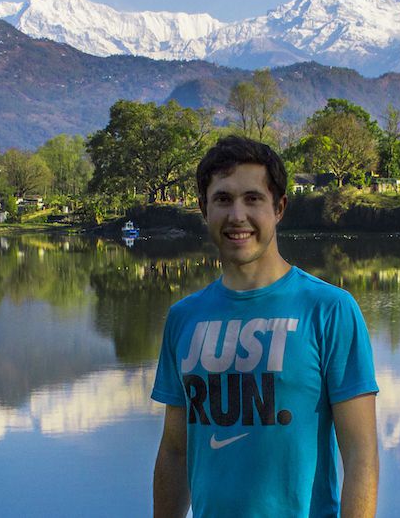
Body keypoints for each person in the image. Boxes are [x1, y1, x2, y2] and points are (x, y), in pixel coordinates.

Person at [152, 136, 379, 517]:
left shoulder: (330, 310)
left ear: (279, 207)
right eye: (223, 199)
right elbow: (175, 451)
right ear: (203, 210)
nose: (237, 215)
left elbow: (360, 455)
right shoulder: (184, 318)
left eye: (253, 198)